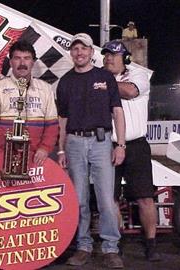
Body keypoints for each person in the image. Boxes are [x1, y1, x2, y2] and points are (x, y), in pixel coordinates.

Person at [56, 33, 126, 269]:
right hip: (74, 143)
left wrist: (121, 145)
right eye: (75, 49)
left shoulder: (105, 77)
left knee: (106, 199)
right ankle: (83, 245)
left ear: (91, 52)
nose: (79, 53)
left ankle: (110, 247)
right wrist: (61, 150)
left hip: (101, 141)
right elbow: (62, 119)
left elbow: (117, 112)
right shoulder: (65, 81)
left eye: (83, 48)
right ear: (71, 53)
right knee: (79, 200)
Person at [102, 40, 161, 261]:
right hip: (108, 145)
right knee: (111, 198)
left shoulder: (138, 75)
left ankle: (151, 243)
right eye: (106, 55)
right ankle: (117, 242)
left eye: (114, 56)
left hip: (136, 144)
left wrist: (102, 81)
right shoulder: (102, 77)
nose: (109, 59)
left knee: (145, 197)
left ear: (125, 58)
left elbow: (129, 91)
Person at [0, 40, 58, 166]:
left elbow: (52, 125)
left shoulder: (45, 89)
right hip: (4, 155)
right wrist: (11, 145)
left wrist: (45, 147)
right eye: (17, 58)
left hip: (37, 157)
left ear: (33, 62)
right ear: (11, 62)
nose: (22, 63)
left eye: (27, 58)